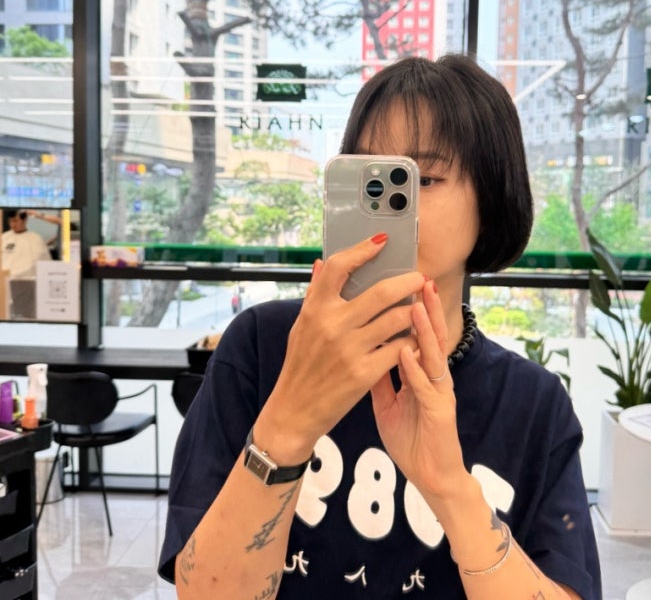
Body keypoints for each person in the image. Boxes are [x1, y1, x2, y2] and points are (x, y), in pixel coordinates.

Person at [159, 55, 602, 599]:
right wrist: (289, 420)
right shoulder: (262, 346)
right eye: (371, 179)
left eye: (423, 178)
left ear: (490, 200)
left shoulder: (532, 403)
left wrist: (451, 489)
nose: (391, 208)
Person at [1, 208, 52, 278]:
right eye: (10, 221)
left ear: (25, 220)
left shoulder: (36, 239)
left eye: (15, 221)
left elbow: (45, 264)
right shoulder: (4, 238)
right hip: (4, 278)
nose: (12, 224)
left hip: (27, 279)